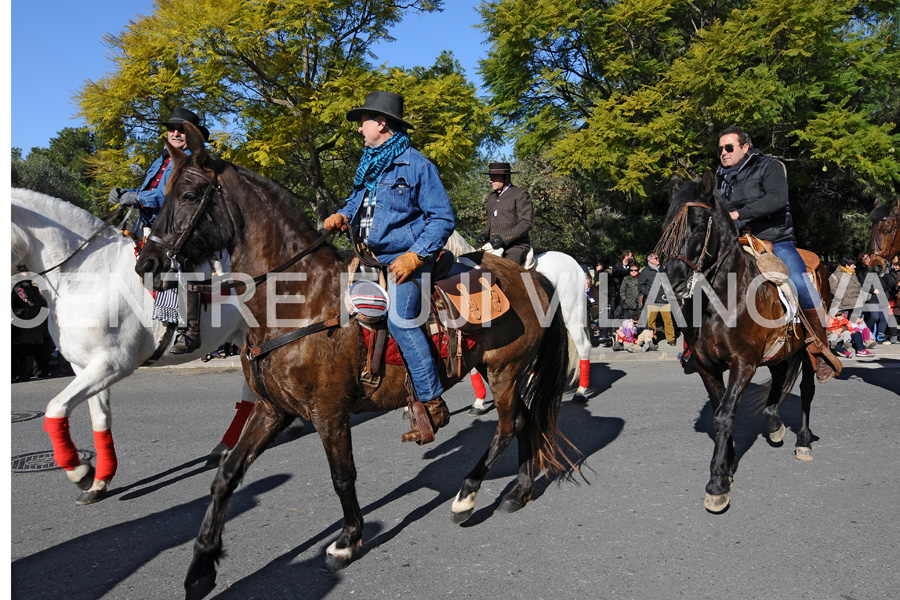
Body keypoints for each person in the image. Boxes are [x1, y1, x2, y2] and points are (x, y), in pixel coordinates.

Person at [323, 90, 455, 444]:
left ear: (381, 123)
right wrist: (342, 214)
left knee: (400, 319)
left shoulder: (417, 165)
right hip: (367, 260)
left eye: (363, 122)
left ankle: (432, 401)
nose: (359, 129)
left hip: (405, 263)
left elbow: (442, 218)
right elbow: (357, 202)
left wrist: (415, 255)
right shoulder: (370, 162)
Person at [716, 125, 841, 382]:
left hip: (774, 239)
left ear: (745, 147)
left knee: (800, 282)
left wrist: (737, 215)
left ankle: (821, 348)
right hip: (737, 240)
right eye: (720, 149)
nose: (724, 153)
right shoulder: (722, 176)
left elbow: (777, 199)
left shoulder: (770, 166)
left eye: (729, 147)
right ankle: (694, 347)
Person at [109, 107, 212, 355]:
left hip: (177, 227)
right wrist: (124, 194)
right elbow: (148, 191)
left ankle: (189, 332)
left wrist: (135, 197)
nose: (175, 133)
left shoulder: (192, 162)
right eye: (172, 129)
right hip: (146, 225)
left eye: (182, 130)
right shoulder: (159, 160)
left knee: (183, 267)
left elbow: (165, 197)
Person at [475, 162, 533, 267]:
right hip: (493, 245)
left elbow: (526, 223)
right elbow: (490, 223)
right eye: (490, 177)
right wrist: (483, 234)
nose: (490, 180)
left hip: (516, 247)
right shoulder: (491, 197)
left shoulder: (520, 194)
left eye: (494, 177)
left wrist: (503, 238)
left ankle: (528, 283)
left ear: (506, 177)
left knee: (506, 271)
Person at [638, 252, 676, 345]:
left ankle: (671, 339)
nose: (658, 259)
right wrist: (649, 294)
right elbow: (641, 286)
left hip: (664, 300)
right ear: (650, 260)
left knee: (668, 321)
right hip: (652, 301)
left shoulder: (663, 270)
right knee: (651, 322)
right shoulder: (645, 272)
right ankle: (652, 338)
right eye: (656, 258)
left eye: (658, 258)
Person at [610, 250, 633, 320]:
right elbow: (615, 279)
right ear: (626, 256)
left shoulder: (631, 266)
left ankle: (627, 326)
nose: (632, 257)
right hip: (620, 291)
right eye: (631, 256)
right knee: (619, 308)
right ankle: (615, 326)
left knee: (628, 309)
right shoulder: (617, 267)